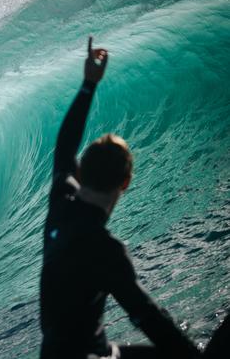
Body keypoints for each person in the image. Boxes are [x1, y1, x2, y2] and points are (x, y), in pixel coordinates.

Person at [40, 37, 201, 359]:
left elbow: (65, 147)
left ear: (81, 173)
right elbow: (150, 318)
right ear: (126, 183)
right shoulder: (105, 249)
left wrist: (89, 84)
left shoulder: (62, 203)